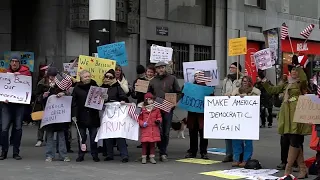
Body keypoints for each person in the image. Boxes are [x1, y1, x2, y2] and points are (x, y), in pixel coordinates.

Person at [261, 61, 311, 178]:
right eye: (292, 70)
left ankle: (288, 169)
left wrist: (299, 66)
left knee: (295, 140)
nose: (294, 72)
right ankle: (303, 169)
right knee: (292, 141)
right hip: (286, 115)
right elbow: (272, 90)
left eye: (296, 70)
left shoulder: (301, 83)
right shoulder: (286, 83)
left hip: (297, 114)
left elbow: (304, 78)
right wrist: (263, 80)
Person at [0, 54, 31, 160]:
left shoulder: (26, 73)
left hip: (19, 106)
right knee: (4, 129)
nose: (14, 63)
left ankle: (16, 152)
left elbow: (28, 87)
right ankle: (3, 151)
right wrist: (2, 97)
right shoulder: (4, 73)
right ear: (10, 63)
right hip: (7, 105)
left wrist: (22, 77)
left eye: (16, 61)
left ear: (19, 63)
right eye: (12, 61)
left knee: (18, 128)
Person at [149, 61, 181, 162]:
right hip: (156, 109)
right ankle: (160, 148)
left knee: (166, 132)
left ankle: (163, 153)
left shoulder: (172, 78)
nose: (160, 69)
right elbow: (149, 93)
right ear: (156, 70)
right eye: (158, 68)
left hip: (168, 108)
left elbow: (179, 92)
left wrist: (175, 101)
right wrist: (151, 100)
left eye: (162, 67)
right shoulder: (153, 81)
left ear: (165, 68)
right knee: (159, 131)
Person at [229, 76, 260, 167]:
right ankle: (236, 158)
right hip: (237, 118)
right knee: (236, 139)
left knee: (248, 141)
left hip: (249, 119)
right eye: (243, 81)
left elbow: (255, 102)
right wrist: (229, 96)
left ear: (250, 82)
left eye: (246, 81)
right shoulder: (236, 91)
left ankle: (246, 159)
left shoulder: (255, 92)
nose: (244, 82)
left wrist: (246, 97)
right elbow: (231, 99)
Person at [41, 67, 71, 162]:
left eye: (54, 77)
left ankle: (63, 155)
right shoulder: (43, 85)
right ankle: (49, 155)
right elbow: (37, 98)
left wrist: (64, 93)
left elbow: (69, 95)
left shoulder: (62, 85)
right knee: (49, 136)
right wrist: (43, 96)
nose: (52, 78)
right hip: (50, 115)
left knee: (61, 135)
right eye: (51, 77)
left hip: (60, 115)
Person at [101, 69, 129, 163]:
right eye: (107, 76)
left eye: (111, 77)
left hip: (117, 114)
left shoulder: (118, 87)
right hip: (106, 114)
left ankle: (124, 155)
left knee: (119, 134)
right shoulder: (101, 88)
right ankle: (109, 154)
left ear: (114, 78)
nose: (108, 79)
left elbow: (124, 97)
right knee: (108, 134)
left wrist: (122, 100)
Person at [71, 70, 100, 162]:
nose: (87, 78)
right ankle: (81, 154)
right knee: (82, 137)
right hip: (81, 116)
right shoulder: (77, 88)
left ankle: (95, 154)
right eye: (85, 77)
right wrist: (74, 115)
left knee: (93, 137)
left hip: (93, 115)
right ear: (81, 78)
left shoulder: (95, 86)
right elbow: (74, 103)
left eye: (88, 76)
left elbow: (100, 99)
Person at [185, 71, 213, 160]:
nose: (197, 77)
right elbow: (185, 98)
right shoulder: (190, 87)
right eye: (196, 76)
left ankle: (203, 152)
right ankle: (192, 151)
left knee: (203, 134)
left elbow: (211, 98)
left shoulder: (208, 87)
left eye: (199, 76)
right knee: (192, 133)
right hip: (192, 114)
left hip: (202, 115)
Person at [221, 62, 243, 163]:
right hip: (227, 108)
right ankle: (228, 153)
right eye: (230, 67)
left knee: (238, 132)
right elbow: (222, 92)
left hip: (239, 108)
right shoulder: (226, 80)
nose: (231, 69)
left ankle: (238, 154)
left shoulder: (242, 79)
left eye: (233, 67)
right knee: (227, 131)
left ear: (238, 69)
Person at [132, 64, 156, 149]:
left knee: (150, 122)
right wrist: (135, 89)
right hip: (140, 104)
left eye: (151, 72)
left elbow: (156, 94)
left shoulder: (155, 82)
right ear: (145, 72)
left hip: (150, 105)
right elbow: (134, 96)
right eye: (148, 72)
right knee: (139, 121)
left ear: (154, 73)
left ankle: (152, 141)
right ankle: (143, 140)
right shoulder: (139, 80)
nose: (149, 73)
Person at [138, 93, 162, 164]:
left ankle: (152, 157)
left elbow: (159, 117)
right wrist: (142, 123)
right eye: (149, 99)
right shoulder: (142, 109)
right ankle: (144, 157)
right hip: (145, 130)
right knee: (144, 145)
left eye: (152, 99)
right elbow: (138, 119)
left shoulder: (156, 109)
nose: (151, 101)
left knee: (152, 145)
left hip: (153, 130)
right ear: (146, 100)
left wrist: (158, 121)